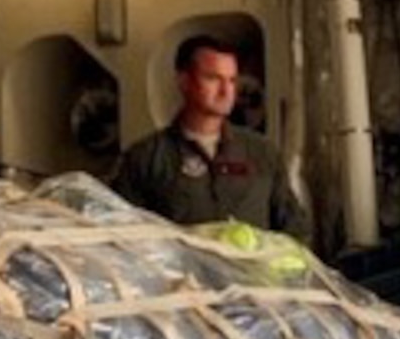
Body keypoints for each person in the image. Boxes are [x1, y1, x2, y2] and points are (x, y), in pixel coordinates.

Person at [112, 35, 284, 227]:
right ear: (184, 81)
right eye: (213, 79)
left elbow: (294, 227)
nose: (226, 91)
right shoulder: (145, 159)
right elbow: (123, 232)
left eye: (232, 81)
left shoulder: (263, 153)